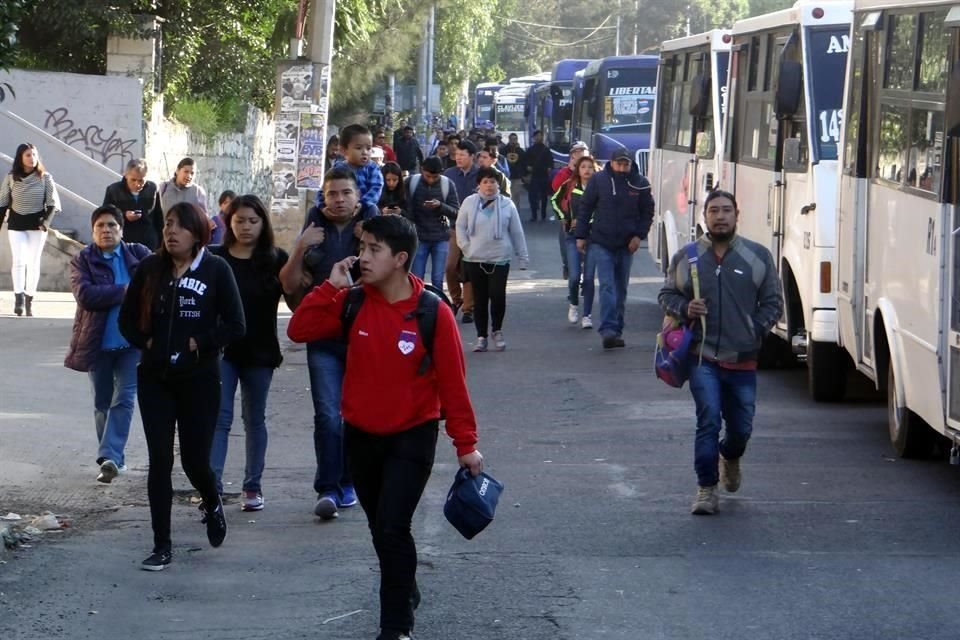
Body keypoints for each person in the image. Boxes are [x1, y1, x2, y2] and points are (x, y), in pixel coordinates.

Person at [287, 215, 483, 640]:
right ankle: (404, 586)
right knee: (381, 529)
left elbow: (453, 382)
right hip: (361, 435)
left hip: (412, 435)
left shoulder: (432, 312)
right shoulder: (353, 300)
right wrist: (331, 286)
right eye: (362, 248)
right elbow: (299, 329)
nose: (362, 257)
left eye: (374, 250)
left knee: (394, 526)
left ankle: (395, 627)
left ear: (400, 259)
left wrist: (466, 444)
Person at [118, 202, 246, 571]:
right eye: (167, 225)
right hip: (155, 378)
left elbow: (236, 325)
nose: (170, 232)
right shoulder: (149, 269)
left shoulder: (216, 269)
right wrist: (146, 343)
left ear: (198, 233)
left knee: (194, 461)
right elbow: (127, 319)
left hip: (200, 379)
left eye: (180, 226)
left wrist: (201, 342)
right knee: (160, 459)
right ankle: (162, 544)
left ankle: (212, 499)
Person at [658, 190, 783, 515]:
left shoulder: (758, 256)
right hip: (703, 358)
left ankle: (732, 455)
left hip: (743, 360)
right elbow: (666, 294)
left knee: (740, 429)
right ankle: (706, 489)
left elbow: (774, 303)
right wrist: (686, 307)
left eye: (726, 210)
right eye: (714, 211)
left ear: (737, 215)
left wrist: (753, 330)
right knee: (709, 420)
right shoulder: (687, 257)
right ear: (705, 217)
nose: (720, 216)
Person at [278, 167, 378, 520]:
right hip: (322, 336)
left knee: (356, 415)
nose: (338, 200)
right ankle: (327, 488)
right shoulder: (312, 230)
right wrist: (301, 247)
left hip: (364, 336)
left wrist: (370, 242)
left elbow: (396, 272)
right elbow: (288, 286)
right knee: (327, 415)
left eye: (345, 193)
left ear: (357, 197)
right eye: (332, 194)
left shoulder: (372, 228)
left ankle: (349, 479)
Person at [208, 195, 290, 512]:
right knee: (220, 419)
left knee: (254, 420)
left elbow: (296, 296)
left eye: (253, 221)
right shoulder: (215, 259)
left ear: (263, 223)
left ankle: (252, 487)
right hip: (223, 351)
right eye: (239, 220)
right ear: (228, 222)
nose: (245, 226)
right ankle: (211, 487)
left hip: (261, 352)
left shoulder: (275, 258)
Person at [65, 205, 152, 484]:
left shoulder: (138, 255)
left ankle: (109, 456)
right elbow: (86, 295)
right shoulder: (83, 260)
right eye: (100, 226)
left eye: (112, 225)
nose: (106, 230)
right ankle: (115, 457)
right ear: (93, 231)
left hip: (131, 344)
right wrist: (124, 291)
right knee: (102, 402)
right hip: (97, 343)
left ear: (121, 230)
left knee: (124, 399)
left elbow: (155, 287)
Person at [575, 148, 654, 349]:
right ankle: (608, 329)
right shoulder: (599, 180)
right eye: (619, 163)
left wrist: (639, 236)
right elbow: (585, 207)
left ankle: (616, 330)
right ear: (611, 162)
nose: (622, 167)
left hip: (627, 244)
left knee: (621, 289)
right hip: (602, 242)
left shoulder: (640, 183)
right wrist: (581, 236)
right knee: (607, 286)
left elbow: (647, 212)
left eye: (625, 164)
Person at [456, 167, 529, 352]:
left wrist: (523, 257)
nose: (489, 186)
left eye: (493, 182)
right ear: (479, 184)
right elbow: (460, 227)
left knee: (497, 296)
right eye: (485, 182)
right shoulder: (469, 203)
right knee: (479, 299)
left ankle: (497, 330)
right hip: (474, 258)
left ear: (499, 184)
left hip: (499, 257)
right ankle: (481, 336)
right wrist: (466, 247)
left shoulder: (507, 204)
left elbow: (516, 232)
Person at [0, 143, 61, 317]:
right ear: (20, 158)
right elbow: (3, 203)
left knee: (33, 263)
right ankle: (18, 298)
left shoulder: (45, 177)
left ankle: (29, 299)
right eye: (28, 155)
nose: (32, 158)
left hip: (37, 226)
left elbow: (53, 203)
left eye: (34, 155)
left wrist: (45, 223)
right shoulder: (11, 178)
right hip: (16, 225)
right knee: (19, 261)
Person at [552, 156, 598, 329]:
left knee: (588, 278)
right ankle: (574, 304)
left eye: (590, 167)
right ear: (578, 169)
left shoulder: (600, 188)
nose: (587, 170)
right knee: (573, 276)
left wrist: (585, 222)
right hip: (572, 236)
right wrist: (564, 218)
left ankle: (587, 315)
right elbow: (554, 201)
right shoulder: (569, 186)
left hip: (594, 237)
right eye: (583, 167)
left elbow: (603, 210)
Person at [405, 156, 459, 290]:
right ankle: (417, 307)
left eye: (435, 177)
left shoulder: (447, 184)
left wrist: (440, 205)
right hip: (418, 237)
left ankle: (436, 308)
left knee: (437, 279)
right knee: (417, 278)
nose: (431, 180)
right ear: (422, 170)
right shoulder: (411, 182)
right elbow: (404, 207)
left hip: (441, 237)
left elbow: (456, 211)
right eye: (428, 176)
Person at [443, 140, 480, 324]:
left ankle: (468, 308)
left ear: (472, 156)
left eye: (462, 155)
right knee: (450, 267)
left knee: (468, 269)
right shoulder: (448, 175)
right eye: (457, 154)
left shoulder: (481, 175)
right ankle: (456, 300)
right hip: (453, 228)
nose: (458, 158)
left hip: (475, 230)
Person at [316, 123, 383, 211]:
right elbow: (323, 190)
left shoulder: (372, 168)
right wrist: (322, 206)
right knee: (314, 211)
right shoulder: (338, 168)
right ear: (343, 150)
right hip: (340, 208)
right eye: (359, 148)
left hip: (362, 209)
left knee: (373, 209)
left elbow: (376, 188)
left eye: (369, 148)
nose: (365, 152)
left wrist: (362, 204)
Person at [550, 141, 591, 280]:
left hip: (588, 219)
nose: (579, 154)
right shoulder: (564, 172)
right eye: (576, 152)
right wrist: (570, 170)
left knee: (586, 252)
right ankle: (568, 266)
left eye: (582, 152)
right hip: (568, 217)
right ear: (572, 155)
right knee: (567, 248)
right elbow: (555, 188)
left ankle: (582, 277)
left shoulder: (593, 171)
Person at [102, 158, 163, 250]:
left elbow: (159, 217)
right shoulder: (113, 190)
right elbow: (105, 215)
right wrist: (123, 215)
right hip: (123, 241)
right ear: (126, 175)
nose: (137, 184)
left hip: (148, 242)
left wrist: (161, 242)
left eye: (141, 180)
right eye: (133, 180)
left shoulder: (153, 189)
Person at [525, 130, 553, 222]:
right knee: (532, 196)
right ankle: (534, 215)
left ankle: (543, 214)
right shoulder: (530, 149)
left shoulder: (546, 149)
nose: (538, 138)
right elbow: (526, 161)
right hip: (534, 176)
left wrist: (549, 167)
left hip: (544, 175)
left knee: (544, 196)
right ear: (534, 138)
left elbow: (550, 161)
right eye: (537, 136)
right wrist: (528, 167)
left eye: (540, 136)